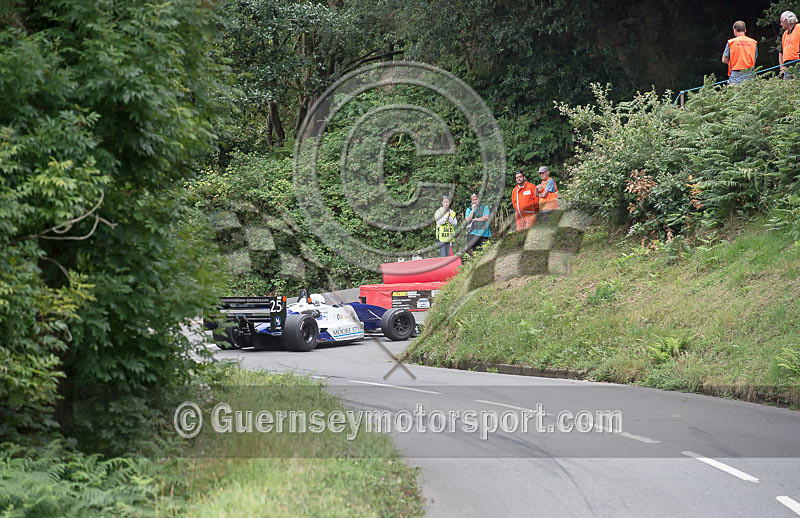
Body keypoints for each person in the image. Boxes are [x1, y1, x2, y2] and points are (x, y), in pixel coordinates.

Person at [722, 21, 757, 85]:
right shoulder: (753, 42)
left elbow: (724, 60)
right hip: (750, 76)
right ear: (745, 30)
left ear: (735, 30)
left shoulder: (731, 43)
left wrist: (732, 63)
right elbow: (754, 59)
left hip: (735, 77)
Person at [779, 11, 799, 79]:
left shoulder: (799, 28)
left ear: (786, 20)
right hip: (787, 66)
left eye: (781, 21)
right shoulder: (785, 34)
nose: (781, 24)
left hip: (797, 63)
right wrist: (781, 66)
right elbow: (781, 52)